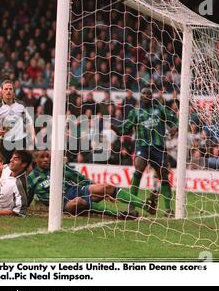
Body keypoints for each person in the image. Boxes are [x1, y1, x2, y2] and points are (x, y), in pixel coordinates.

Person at [27, 150, 157, 218]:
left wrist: (100, 191)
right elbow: (28, 197)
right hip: (62, 203)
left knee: (108, 186)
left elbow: (79, 178)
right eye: (42, 157)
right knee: (78, 202)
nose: (46, 159)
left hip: (75, 190)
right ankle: (119, 215)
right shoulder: (32, 178)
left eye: (47, 156)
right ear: (35, 159)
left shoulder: (58, 167)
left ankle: (146, 206)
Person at [115, 88, 178, 217]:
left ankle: (168, 209)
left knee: (163, 175)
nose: (146, 96)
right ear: (140, 96)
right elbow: (124, 129)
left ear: (151, 96)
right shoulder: (135, 113)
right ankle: (131, 206)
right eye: (144, 94)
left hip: (158, 147)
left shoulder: (159, 109)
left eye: (149, 94)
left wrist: (174, 128)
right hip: (142, 147)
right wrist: (115, 128)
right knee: (139, 168)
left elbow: (174, 119)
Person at [0, 80, 35, 162]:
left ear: (13, 91)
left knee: (21, 165)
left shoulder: (21, 104)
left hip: (20, 140)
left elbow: (29, 121)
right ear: (2, 91)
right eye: (6, 89)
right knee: (5, 166)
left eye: (10, 89)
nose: (8, 91)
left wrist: (32, 135)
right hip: (5, 141)